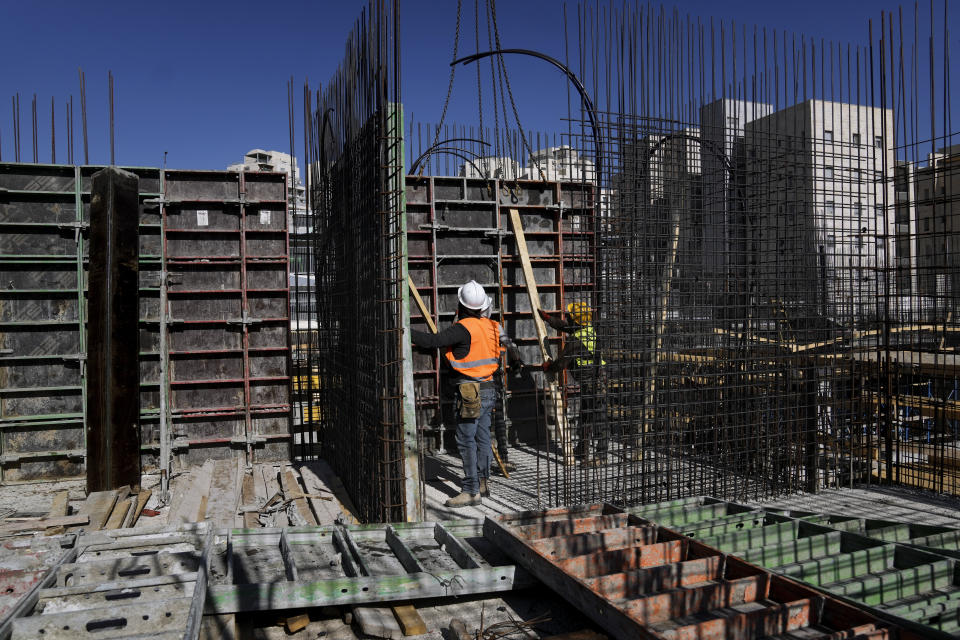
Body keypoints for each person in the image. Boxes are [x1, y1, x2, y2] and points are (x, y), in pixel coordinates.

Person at [410, 280, 518, 507]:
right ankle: (482, 484)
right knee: (483, 438)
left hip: (470, 391)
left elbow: (433, 341)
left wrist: (404, 330)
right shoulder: (491, 325)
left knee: (466, 440)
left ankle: (470, 491)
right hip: (489, 388)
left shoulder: (462, 328)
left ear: (461, 304)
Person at [539, 302, 608, 467]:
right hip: (593, 379)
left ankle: (601, 456)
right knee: (586, 415)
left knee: (598, 417)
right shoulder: (587, 329)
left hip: (594, 381)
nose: (566, 317)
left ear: (575, 319)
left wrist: (549, 366)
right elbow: (565, 327)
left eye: (569, 315)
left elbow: (562, 363)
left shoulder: (577, 339)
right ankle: (582, 449)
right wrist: (549, 319)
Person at [481, 296, 522, 473]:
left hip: (473, 380)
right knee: (498, 418)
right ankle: (503, 457)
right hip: (493, 378)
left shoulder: (463, 326)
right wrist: (517, 362)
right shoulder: (493, 326)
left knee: (479, 422)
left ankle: (483, 461)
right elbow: (511, 346)